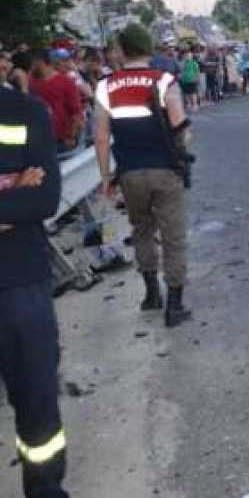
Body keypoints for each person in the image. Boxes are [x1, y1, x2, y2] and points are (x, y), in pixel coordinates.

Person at [93, 24, 192, 328]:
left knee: (142, 230)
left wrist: (106, 178)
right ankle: (174, 305)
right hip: (165, 169)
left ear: (122, 50)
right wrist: (182, 154)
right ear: (148, 48)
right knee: (173, 236)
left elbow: (100, 137)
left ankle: (151, 294)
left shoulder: (105, 86)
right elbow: (182, 129)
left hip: (129, 172)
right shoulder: (164, 80)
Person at [1, 78, 70, 497]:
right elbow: (23, 202)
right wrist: (12, 188)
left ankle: (45, 491)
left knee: (37, 402)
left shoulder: (25, 111)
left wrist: (24, 195)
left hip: (20, 282)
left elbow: (43, 200)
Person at [28, 50, 83, 151]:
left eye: (33, 63)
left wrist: (72, 136)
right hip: (40, 139)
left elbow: (76, 111)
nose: (31, 67)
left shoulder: (65, 82)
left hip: (62, 140)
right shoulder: (31, 82)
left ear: (41, 62)